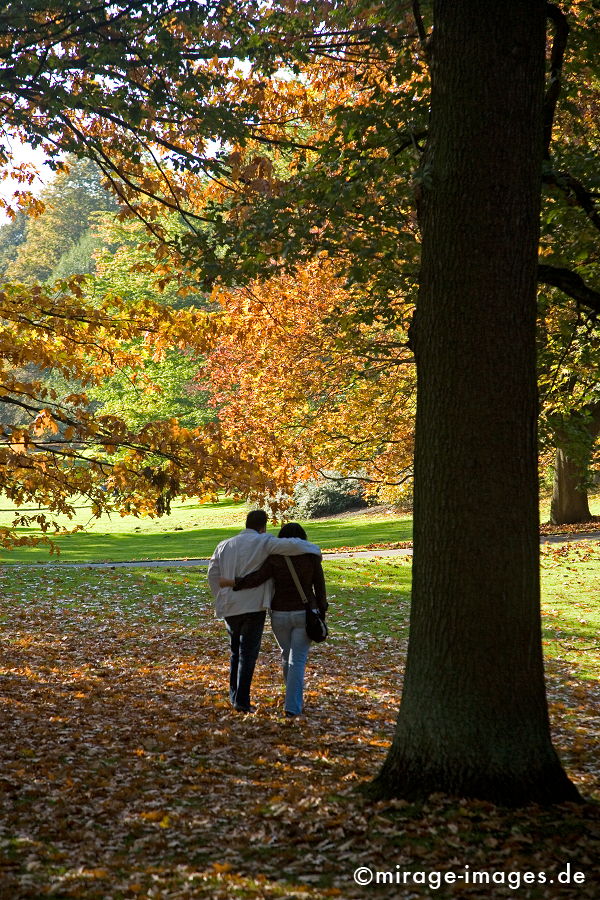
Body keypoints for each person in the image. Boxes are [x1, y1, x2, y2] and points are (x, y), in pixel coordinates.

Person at [207, 510, 321, 713]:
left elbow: (213, 573)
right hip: (253, 605)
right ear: (263, 526)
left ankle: (236, 697)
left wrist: (222, 594)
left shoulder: (224, 545)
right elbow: (293, 545)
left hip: (232, 606)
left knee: (236, 653)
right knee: (248, 654)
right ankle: (245, 701)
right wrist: (314, 550)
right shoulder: (264, 542)